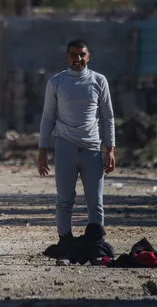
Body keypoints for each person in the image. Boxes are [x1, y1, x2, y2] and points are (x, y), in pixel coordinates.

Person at [37, 39, 116, 265]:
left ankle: (96, 248)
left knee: (95, 201)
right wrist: (42, 150)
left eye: (82, 55)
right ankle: (66, 245)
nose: (77, 59)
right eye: (73, 54)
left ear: (88, 57)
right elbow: (47, 117)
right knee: (65, 199)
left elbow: (108, 117)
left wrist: (110, 149)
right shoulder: (56, 82)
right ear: (66, 56)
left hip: (92, 148)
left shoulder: (99, 81)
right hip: (65, 147)